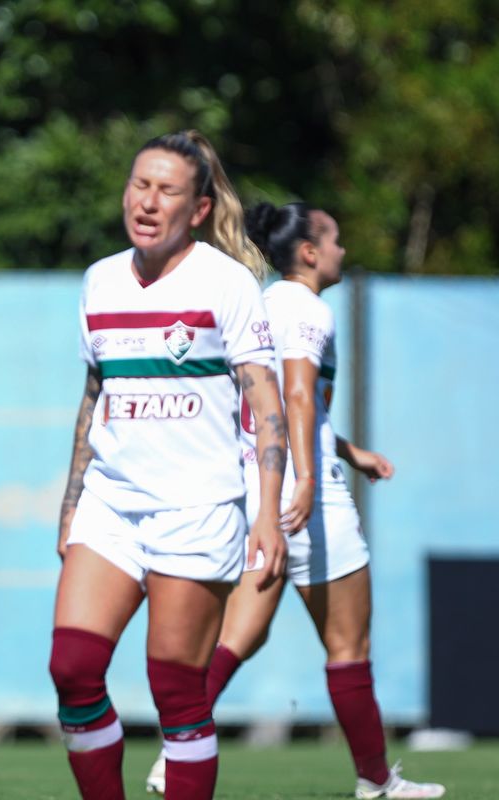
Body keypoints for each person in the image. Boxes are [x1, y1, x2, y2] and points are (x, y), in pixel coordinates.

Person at [143, 202, 442, 799]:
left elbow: (273, 402)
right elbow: (299, 394)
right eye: (334, 241)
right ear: (308, 252)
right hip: (308, 499)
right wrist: (309, 478)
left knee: (238, 637)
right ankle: (376, 780)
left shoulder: (260, 302)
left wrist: (353, 452)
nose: (341, 251)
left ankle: (175, 754)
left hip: (258, 493)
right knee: (349, 646)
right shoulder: (307, 309)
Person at [48, 130, 287, 800]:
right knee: (72, 667)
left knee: (176, 689)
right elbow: (93, 398)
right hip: (111, 504)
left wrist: (266, 514)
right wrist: (71, 503)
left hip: (199, 507)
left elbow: (266, 404)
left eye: (167, 190)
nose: (148, 202)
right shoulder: (99, 280)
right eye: (140, 185)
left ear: (200, 209)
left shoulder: (226, 282)